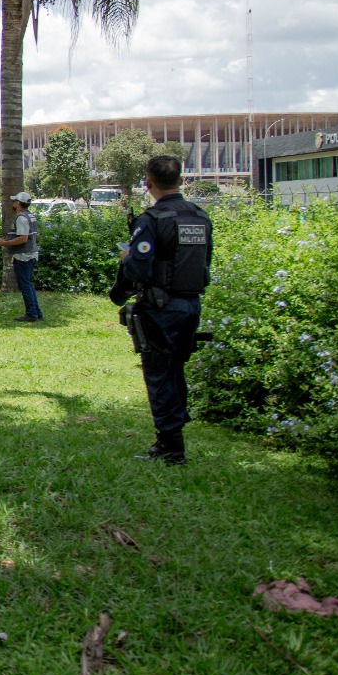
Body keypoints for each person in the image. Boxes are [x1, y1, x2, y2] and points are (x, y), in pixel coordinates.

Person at [108, 155, 213, 465]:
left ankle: (171, 446)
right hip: (190, 304)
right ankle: (172, 436)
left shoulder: (152, 220)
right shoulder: (200, 217)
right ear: (181, 181)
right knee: (176, 370)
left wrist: (128, 258)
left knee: (159, 374)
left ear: (148, 182)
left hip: (160, 307)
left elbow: (139, 270)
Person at [0, 191, 42, 322]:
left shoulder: (21, 218)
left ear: (18, 204)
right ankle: (37, 313)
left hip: (23, 256)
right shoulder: (30, 216)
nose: (13, 203)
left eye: (14, 201)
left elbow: (23, 238)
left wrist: (5, 243)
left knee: (25, 286)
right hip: (31, 254)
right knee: (29, 285)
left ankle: (31, 314)